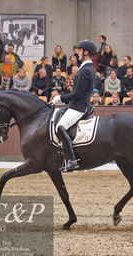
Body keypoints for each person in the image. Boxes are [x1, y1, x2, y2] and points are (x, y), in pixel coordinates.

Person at [51, 40, 97, 171]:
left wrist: (60, 98)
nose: (77, 53)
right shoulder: (86, 68)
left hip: (79, 106)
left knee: (60, 127)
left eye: (79, 50)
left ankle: (72, 160)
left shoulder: (86, 70)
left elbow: (77, 93)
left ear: (86, 52)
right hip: (76, 104)